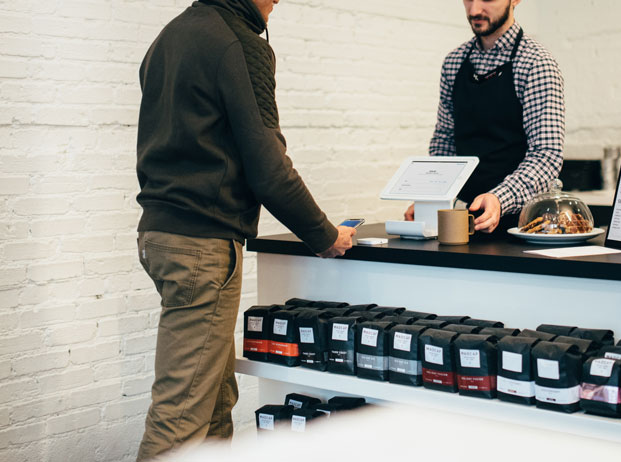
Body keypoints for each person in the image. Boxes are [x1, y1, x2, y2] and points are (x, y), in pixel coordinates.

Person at [134, 0, 355, 459]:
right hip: (202, 247)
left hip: (160, 236)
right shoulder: (240, 44)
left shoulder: (169, 36)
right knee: (180, 417)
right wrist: (324, 234)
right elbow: (268, 166)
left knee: (216, 397)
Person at [405, 0, 565, 234]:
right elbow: (444, 142)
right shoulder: (454, 62)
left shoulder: (536, 63)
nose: (474, 10)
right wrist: (431, 200)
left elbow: (546, 154)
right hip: (464, 222)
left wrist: (499, 198)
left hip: (524, 225)